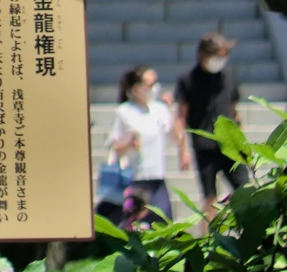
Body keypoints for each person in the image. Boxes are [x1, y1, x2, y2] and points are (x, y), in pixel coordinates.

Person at [174, 32, 250, 212]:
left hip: (230, 144)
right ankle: (210, 236)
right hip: (204, 146)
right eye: (218, 55)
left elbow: (234, 111)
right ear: (205, 55)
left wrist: (243, 143)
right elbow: (181, 118)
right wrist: (182, 150)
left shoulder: (228, 76)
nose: (222, 59)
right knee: (210, 198)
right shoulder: (188, 79)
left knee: (245, 190)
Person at [106, 66, 178, 227]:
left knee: (164, 222)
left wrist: (171, 110)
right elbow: (113, 146)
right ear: (136, 88)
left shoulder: (159, 109)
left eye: (155, 83)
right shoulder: (124, 112)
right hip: (135, 178)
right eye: (149, 84)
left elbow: (175, 137)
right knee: (135, 224)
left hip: (157, 177)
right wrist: (129, 143)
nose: (154, 88)